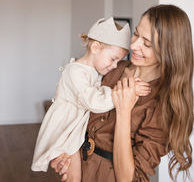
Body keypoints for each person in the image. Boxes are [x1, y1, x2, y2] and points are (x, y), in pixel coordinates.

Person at [51, 4, 194, 182]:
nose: (133, 45)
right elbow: (76, 109)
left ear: (168, 52)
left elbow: (128, 178)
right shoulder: (112, 68)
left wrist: (124, 111)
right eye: (135, 34)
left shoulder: (163, 103)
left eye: (147, 44)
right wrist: (64, 154)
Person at [31, 17, 150, 181]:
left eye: (119, 61)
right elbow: (94, 101)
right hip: (67, 129)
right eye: (113, 59)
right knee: (74, 176)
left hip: (76, 129)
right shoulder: (75, 72)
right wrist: (124, 92)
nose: (115, 66)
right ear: (95, 47)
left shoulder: (94, 70)